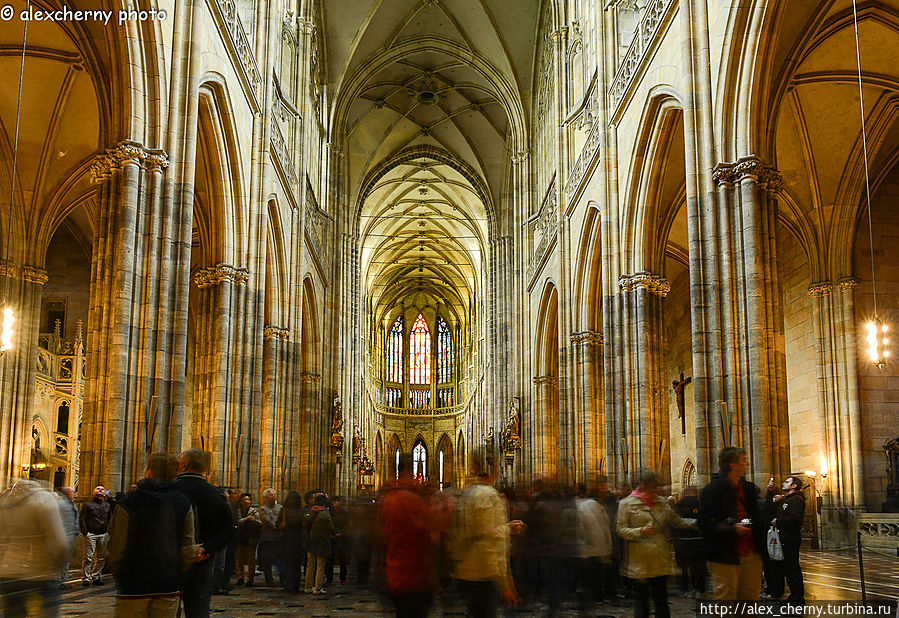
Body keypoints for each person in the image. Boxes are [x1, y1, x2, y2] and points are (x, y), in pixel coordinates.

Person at [107, 452, 198, 617]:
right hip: (168, 583)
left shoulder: (129, 501)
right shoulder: (182, 502)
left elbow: (117, 544)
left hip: (132, 584)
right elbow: (187, 547)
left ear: (149, 472)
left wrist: (120, 571)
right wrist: (177, 572)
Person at [451, 448, 523, 618]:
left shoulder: (466, 494)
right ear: (492, 468)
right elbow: (490, 542)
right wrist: (504, 584)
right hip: (482, 575)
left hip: (465, 573)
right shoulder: (489, 495)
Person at [616, 469, 697, 618]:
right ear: (642, 486)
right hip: (639, 561)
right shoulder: (627, 504)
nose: (656, 489)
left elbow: (678, 521)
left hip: (659, 559)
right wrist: (640, 531)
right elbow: (621, 530)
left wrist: (700, 523)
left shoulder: (661, 502)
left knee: (661, 601)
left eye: (656, 486)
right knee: (642, 603)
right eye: (653, 486)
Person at [699, 447, 767, 602]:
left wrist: (749, 525)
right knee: (726, 600)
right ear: (732, 464)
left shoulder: (749, 489)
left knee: (749, 599)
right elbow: (704, 523)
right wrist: (731, 529)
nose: (748, 463)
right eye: (743, 460)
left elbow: (754, 516)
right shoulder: (713, 490)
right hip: (725, 553)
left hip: (751, 551)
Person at [173, 448, 235, 616]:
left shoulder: (169, 491)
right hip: (203, 561)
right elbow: (228, 530)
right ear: (205, 469)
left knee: (169, 610)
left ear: (183, 465)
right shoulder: (216, 494)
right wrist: (205, 548)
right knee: (199, 610)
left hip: (172, 560)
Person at [0, 479, 70, 617]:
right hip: (40, 573)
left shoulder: (5, 502)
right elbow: (58, 540)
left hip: (9, 572)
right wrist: (60, 565)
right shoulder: (44, 499)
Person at [380, 452, 435, 617]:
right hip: (414, 578)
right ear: (409, 472)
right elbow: (427, 537)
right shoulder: (413, 500)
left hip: (394, 574)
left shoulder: (388, 498)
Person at [765, 476, 806, 604]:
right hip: (783, 537)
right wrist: (770, 492)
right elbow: (770, 507)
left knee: (792, 568)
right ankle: (791, 595)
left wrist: (779, 521)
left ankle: (797, 598)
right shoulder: (786, 499)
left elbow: (795, 518)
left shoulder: (797, 500)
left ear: (794, 486)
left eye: (787, 482)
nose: (784, 483)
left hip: (790, 537)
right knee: (786, 568)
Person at [575, 483, 612, 610]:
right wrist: (583, 552)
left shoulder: (599, 506)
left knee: (595, 581)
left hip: (597, 550)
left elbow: (605, 529)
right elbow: (582, 531)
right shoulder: (586, 507)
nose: (607, 493)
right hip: (591, 551)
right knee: (589, 582)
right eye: (603, 490)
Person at [672, 485, 705, 597]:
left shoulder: (678, 506)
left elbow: (674, 523)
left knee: (684, 568)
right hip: (699, 540)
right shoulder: (701, 505)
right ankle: (699, 589)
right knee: (699, 567)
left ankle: (685, 588)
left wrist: (675, 539)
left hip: (682, 541)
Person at [80, 484, 111, 586]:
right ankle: (86, 577)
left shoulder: (107, 505)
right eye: (98, 488)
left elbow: (110, 518)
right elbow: (82, 518)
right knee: (88, 557)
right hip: (91, 533)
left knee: (101, 557)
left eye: (102, 489)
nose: (100, 490)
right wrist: (85, 532)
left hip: (103, 533)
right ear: (94, 492)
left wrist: (108, 531)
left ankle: (96, 576)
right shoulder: (88, 504)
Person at [304, 493, 335, 594]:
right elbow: (330, 528)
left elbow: (304, 525)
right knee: (320, 566)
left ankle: (308, 587)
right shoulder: (325, 514)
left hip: (310, 540)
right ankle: (317, 588)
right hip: (322, 541)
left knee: (310, 565)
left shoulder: (310, 512)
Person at [279, 491, 306, 592]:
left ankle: (289, 584)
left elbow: (278, 523)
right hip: (298, 539)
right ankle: (296, 585)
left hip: (287, 539)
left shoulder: (284, 510)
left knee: (288, 563)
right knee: (297, 564)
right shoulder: (302, 511)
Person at [234, 493, 261, 586]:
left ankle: (250, 578)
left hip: (250, 537)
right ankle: (240, 577)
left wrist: (254, 520)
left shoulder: (253, 511)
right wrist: (246, 519)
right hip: (240, 537)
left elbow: (259, 522)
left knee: (251, 560)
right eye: (245, 500)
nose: (247, 501)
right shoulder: (237, 511)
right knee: (239, 559)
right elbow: (236, 521)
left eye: (248, 500)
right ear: (241, 501)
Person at [258, 488, 283, 587]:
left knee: (280, 559)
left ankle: (283, 579)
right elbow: (268, 521)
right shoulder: (263, 509)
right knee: (267, 560)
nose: (274, 496)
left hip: (279, 538)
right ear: (265, 498)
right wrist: (278, 527)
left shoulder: (280, 507)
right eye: (271, 495)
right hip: (267, 539)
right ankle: (269, 579)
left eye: (274, 494)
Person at [57, 487, 80, 589]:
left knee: (66, 560)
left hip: (70, 536)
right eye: (73, 493)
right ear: (66, 494)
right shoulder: (60, 504)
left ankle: (62, 580)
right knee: (60, 560)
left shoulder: (72, 504)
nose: (74, 495)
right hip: (63, 536)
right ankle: (58, 580)